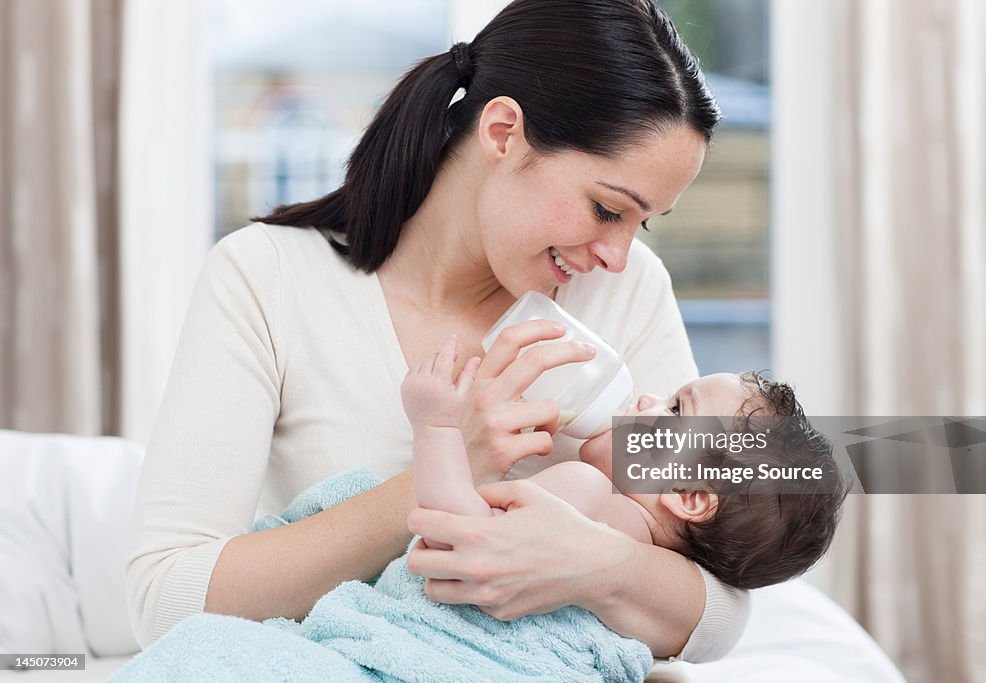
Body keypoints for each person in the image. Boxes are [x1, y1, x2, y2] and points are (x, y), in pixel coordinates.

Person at [125, 0, 748, 662]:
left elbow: (720, 604)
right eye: (606, 208)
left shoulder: (624, 289)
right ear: (504, 132)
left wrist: (592, 563)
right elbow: (164, 601)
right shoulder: (266, 280)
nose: (618, 254)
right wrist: (450, 465)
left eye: (642, 222)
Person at [405, 335, 848, 590]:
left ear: (691, 495)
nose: (645, 399)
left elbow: (459, 542)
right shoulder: (652, 577)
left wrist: (437, 427)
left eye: (676, 409)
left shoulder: (585, 491)